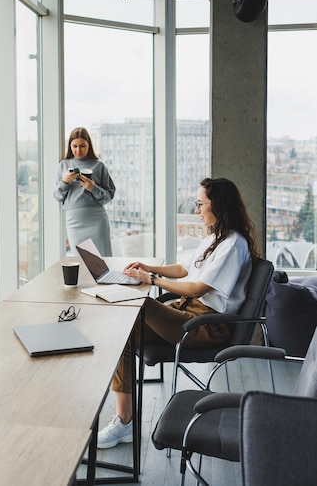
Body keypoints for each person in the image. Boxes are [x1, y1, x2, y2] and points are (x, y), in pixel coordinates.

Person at [97, 177, 261, 449]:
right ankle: (124, 422)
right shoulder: (214, 238)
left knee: (143, 305)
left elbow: (197, 287)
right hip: (187, 315)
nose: (196, 211)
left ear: (217, 205)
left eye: (200, 205)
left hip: (206, 326)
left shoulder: (232, 245)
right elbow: (184, 269)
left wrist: (151, 279)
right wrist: (150, 268)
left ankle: (123, 421)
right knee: (121, 333)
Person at [54, 127, 116, 256]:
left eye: (82, 146)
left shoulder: (99, 166)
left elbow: (108, 196)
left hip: (97, 220)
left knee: (103, 262)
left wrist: (93, 188)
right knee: (81, 263)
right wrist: (64, 182)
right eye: (74, 146)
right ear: (70, 146)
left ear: (89, 145)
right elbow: (58, 196)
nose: (78, 150)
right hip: (74, 222)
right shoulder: (64, 165)